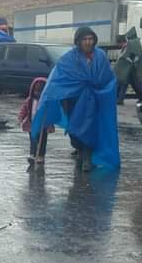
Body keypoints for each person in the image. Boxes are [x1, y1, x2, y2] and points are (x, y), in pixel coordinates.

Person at [30, 26, 119, 172]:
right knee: (75, 130)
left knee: (91, 128)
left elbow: (108, 77)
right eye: (85, 39)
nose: (88, 42)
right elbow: (58, 78)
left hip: (94, 99)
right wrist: (50, 93)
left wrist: (105, 91)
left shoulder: (101, 56)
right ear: (78, 41)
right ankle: (80, 150)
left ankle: (87, 158)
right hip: (74, 101)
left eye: (91, 39)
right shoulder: (69, 59)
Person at [18, 78, 51, 166]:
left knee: (42, 141)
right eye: (36, 90)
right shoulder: (29, 100)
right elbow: (24, 109)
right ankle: (33, 154)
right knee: (33, 140)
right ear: (32, 90)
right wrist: (21, 117)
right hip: (31, 125)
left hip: (42, 125)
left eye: (40, 91)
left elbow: (51, 112)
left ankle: (40, 156)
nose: (38, 93)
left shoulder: (46, 102)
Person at [115, 27, 142, 105]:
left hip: (131, 68)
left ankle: (120, 100)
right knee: (131, 83)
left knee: (126, 83)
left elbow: (134, 56)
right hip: (131, 68)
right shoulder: (134, 43)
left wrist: (131, 61)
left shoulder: (133, 44)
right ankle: (141, 97)